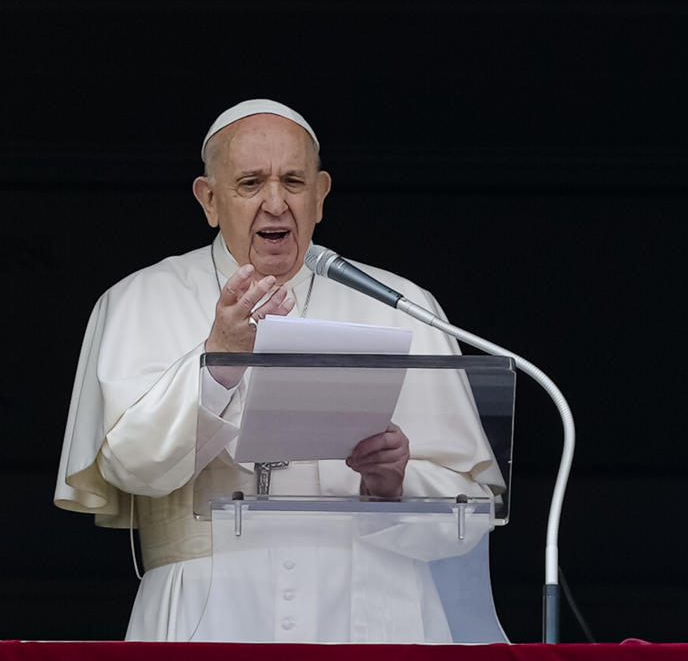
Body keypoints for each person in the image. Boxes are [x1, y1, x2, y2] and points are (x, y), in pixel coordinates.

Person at [54, 99, 503, 642]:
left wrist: (393, 483)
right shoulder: (140, 300)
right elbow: (132, 467)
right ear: (209, 199)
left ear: (320, 195)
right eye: (249, 183)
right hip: (206, 616)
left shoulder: (399, 303)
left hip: (375, 620)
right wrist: (218, 360)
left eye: (293, 181)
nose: (275, 202)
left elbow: (470, 516)